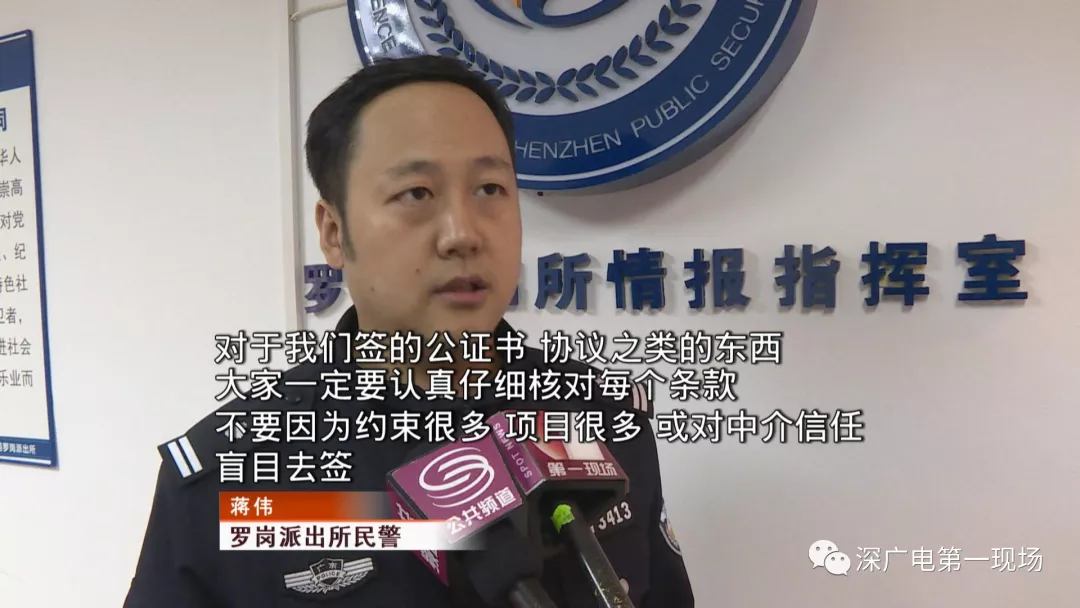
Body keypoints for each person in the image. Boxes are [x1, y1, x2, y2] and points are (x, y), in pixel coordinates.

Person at [123, 54, 695, 607]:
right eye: (416, 194)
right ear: (334, 232)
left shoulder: (603, 416)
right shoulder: (231, 472)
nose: (462, 233)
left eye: (490, 189)